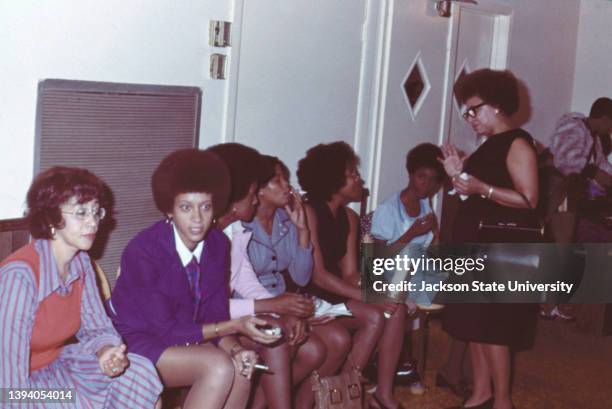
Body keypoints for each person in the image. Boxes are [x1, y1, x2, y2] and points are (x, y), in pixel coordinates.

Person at [109, 149, 279, 409]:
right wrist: (235, 328)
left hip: (184, 337)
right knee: (219, 367)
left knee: (243, 367)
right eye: (187, 208)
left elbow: (214, 315)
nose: (198, 219)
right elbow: (165, 330)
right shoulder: (143, 250)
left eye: (206, 207)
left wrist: (236, 349)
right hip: (134, 341)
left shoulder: (218, 244)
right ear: (170, 209)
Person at [0, 166, 162, 408]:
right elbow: (8, 385)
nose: (92, 222)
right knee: (71, 401)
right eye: (81, 213)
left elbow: (96, 327)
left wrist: (106, 352)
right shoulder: (19, 276)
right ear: (51, 217)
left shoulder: (81, 262)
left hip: (54, 369)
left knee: (139, 373)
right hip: (12, 387)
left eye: (96, 212)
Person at [440, 69, 539, 409]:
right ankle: (481, 392)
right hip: (479, 242)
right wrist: (461, 179)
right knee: (475, 325)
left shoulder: (518, 143)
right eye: (465, 112)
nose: (469, 118)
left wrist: (481, 187)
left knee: (494, 328)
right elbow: (481, 197)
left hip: (502, 248)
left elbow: (529, 200)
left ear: (496, 105)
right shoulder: (490, 145)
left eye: (473, 110)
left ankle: (502, 401)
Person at [210, 143, 328, 409]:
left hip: (233, 314)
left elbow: (245, 280)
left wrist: (282, 309)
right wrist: (274, 307)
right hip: (202, 325)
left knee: (310, 346)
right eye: (252, 193)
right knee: (275, 337)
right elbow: (204, 307)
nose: (255, 199)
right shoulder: (209, 235)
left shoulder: (236, 230)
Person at [298, 141, 407, 409]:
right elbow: (318, 276)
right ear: (333, 180)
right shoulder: (309, 212)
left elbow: (350, 274)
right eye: (352, 174)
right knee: (373, 316)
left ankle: (380, 393)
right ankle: (343, 393)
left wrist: (380, 287)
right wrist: (368, 295)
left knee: (395, 308)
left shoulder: (349, 217)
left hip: (336, 293)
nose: (359, 179)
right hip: (311, 294)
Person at [242, 154, 352, 409]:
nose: (287, 186)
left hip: (283, 301)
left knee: (336, 341)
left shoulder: (285, 220)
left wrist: (303, 231)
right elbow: (241, 287)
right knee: (310, 348)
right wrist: (284, 311)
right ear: (258, 190)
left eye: (286, 179)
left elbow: (301, 276)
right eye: (278, 180)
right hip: (255, 305)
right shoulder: (242, 225)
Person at [547, 97, 612, 244]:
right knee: (563, 240)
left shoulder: (594, 138)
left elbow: (602, 164)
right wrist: (594, 173)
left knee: (568, 238)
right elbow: (564, 160)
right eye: (610, 125)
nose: (610, 130)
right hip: (560, 192)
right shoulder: (574, 126)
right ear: (604, 119)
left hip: (571, 192)